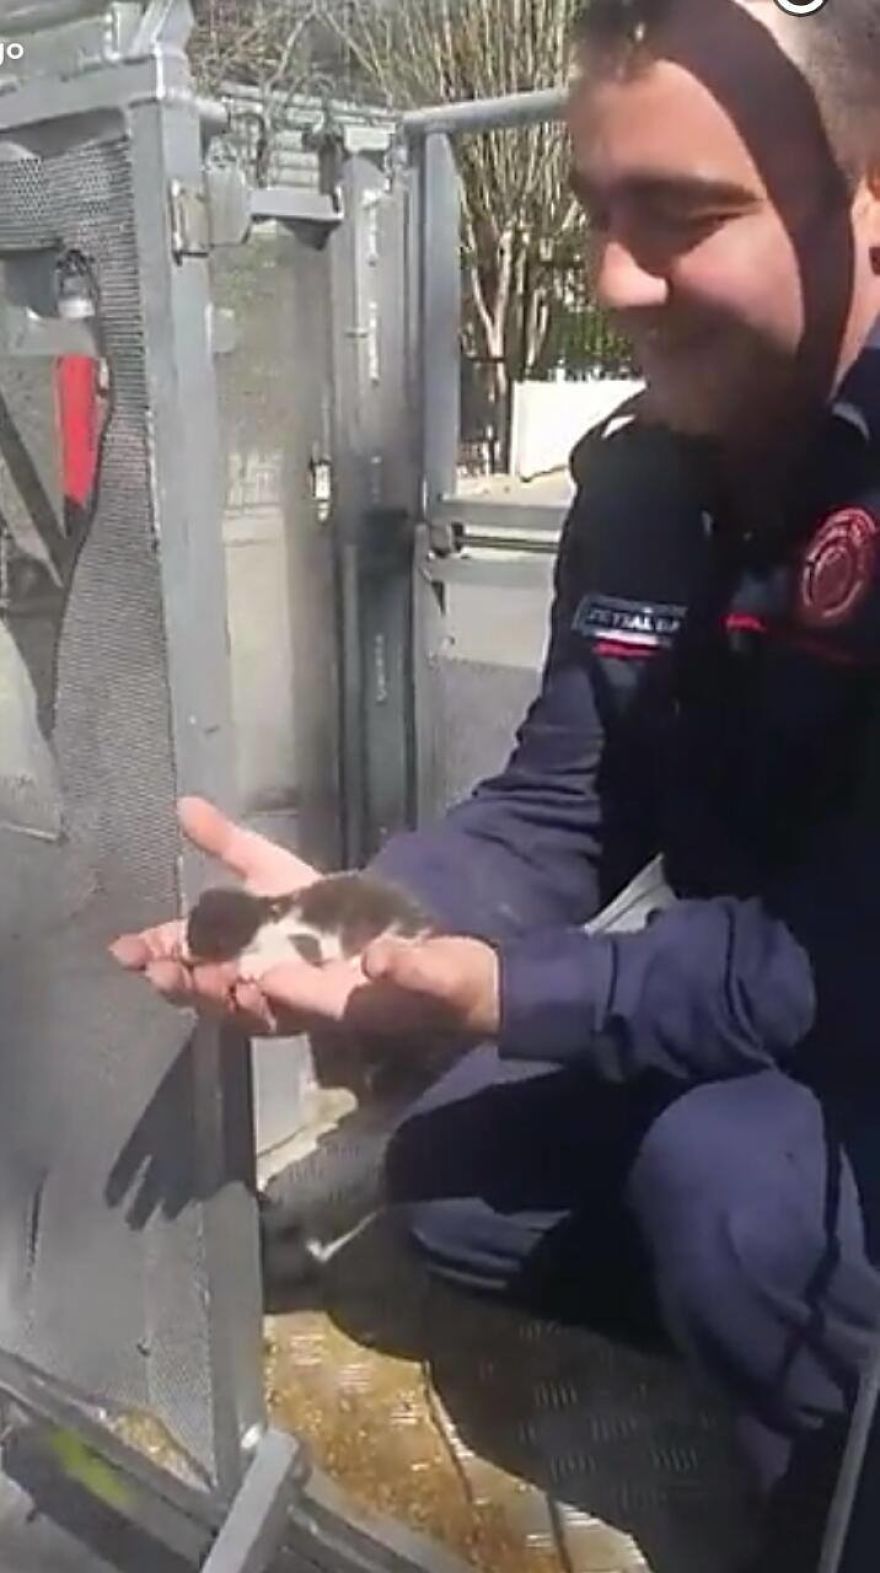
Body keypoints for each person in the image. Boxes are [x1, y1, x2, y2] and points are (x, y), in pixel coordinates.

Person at [112, 1, 880, 1566]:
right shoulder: (650, 482)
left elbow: (831, 957)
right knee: (446, 1171)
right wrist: (361, 936)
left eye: (683, 216)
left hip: (847, 1032)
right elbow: (558, 807)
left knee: (729, 1185)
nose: (610, 281)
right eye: (601, 213)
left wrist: (509, 993)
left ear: (865, 195)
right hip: (750, 1028)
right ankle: (737, 1302)